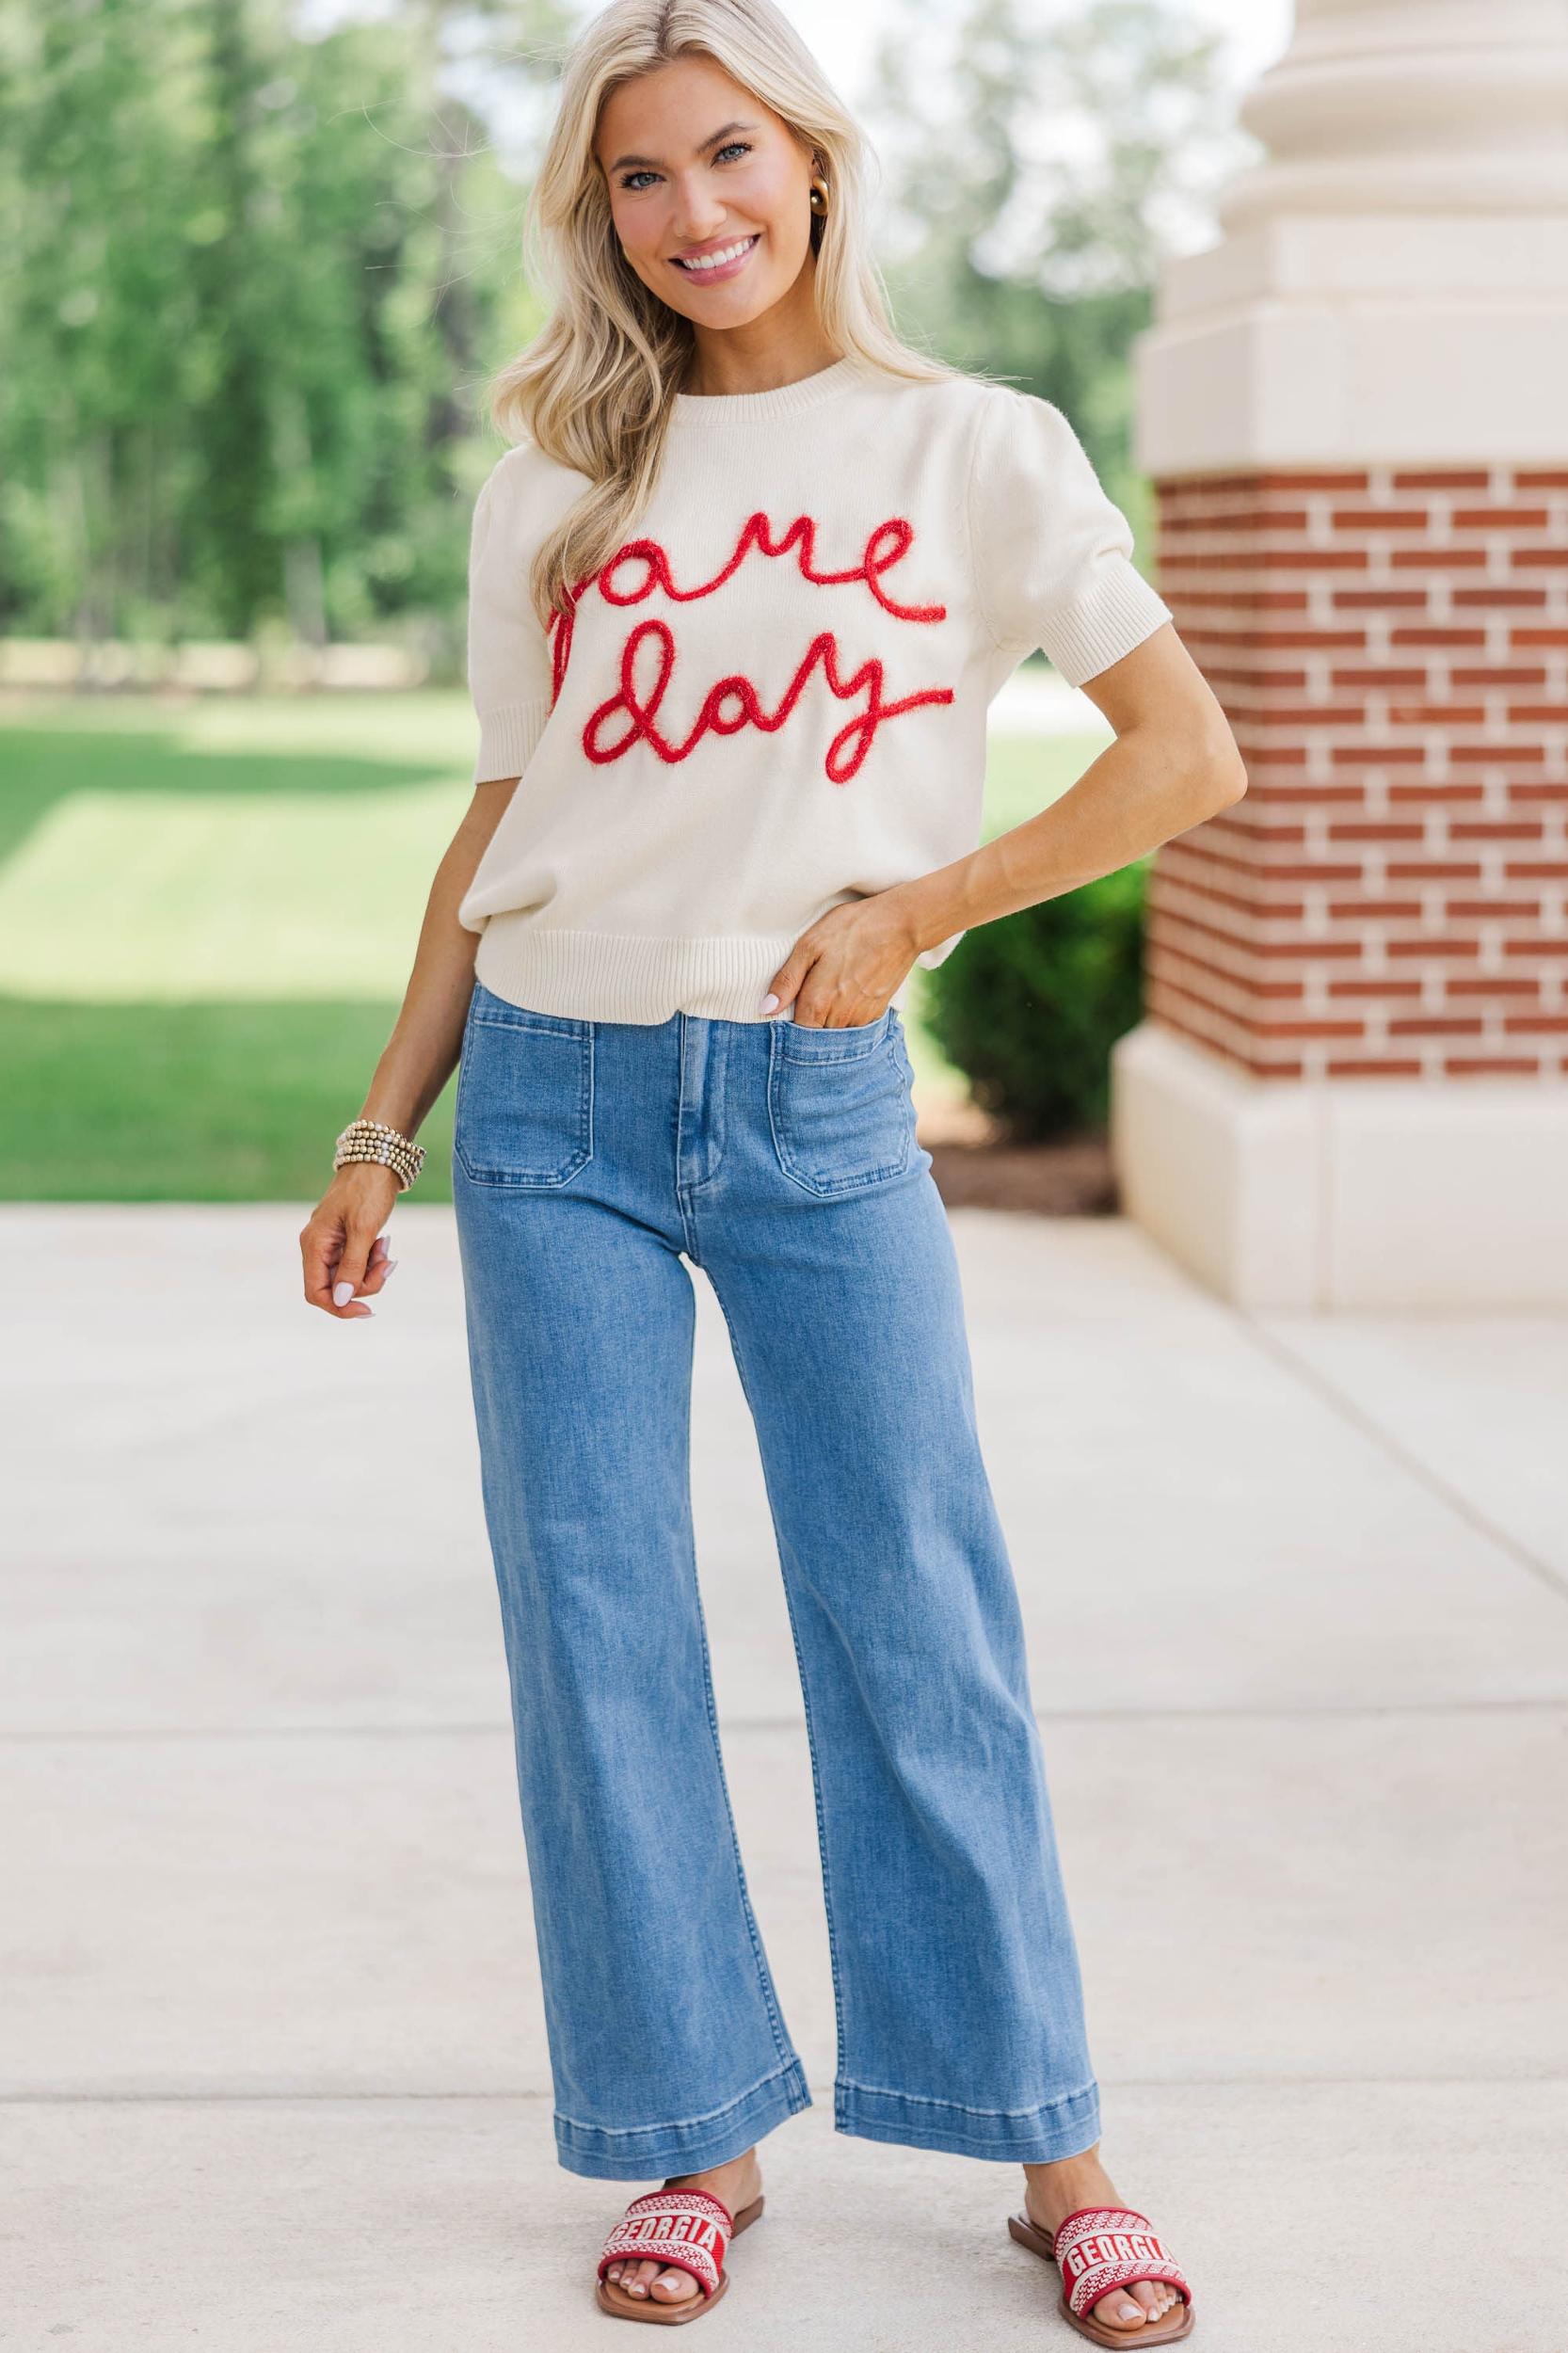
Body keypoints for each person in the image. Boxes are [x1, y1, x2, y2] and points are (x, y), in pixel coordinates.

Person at [298, 0, 1243, 2336]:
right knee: (594, 1626)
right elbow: (500, 827)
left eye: (725, 157)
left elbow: (1179, 757)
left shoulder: (970, 448)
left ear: (811, 161)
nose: (689, 214)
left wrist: (920, 903)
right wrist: (381, 1119)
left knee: (915, 1612)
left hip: (813, 1111)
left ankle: (1052, 2145)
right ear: (594, 213)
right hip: (554, 1111)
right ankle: (689, 2138)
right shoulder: (557, 471)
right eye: (636, 179)